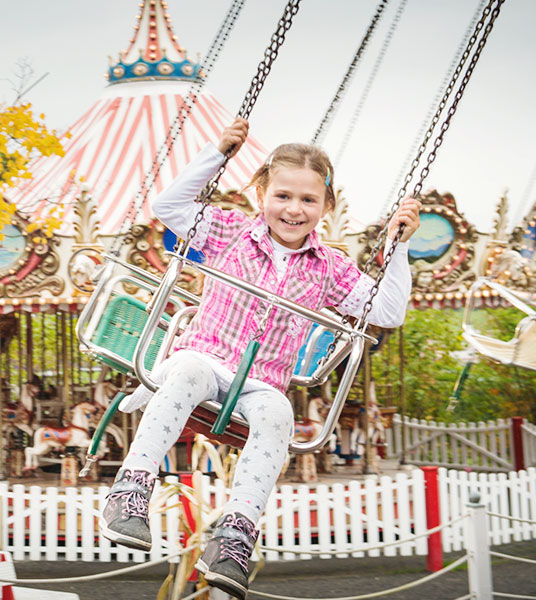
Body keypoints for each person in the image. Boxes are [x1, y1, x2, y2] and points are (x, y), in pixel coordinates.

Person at [99, 118, 421, 600]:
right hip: (203, 359)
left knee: (279, 415)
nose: (294, 209)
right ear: (261, 195)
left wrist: (400, 246)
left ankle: (234, 537)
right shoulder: (228, 230)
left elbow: (389, 310)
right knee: (187, 372)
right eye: (283, 196)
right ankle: (131, 488)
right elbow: (167, 206)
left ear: (326, 207)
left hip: (262, 382)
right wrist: (217, 153)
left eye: (308, 200)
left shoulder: (330, 267)